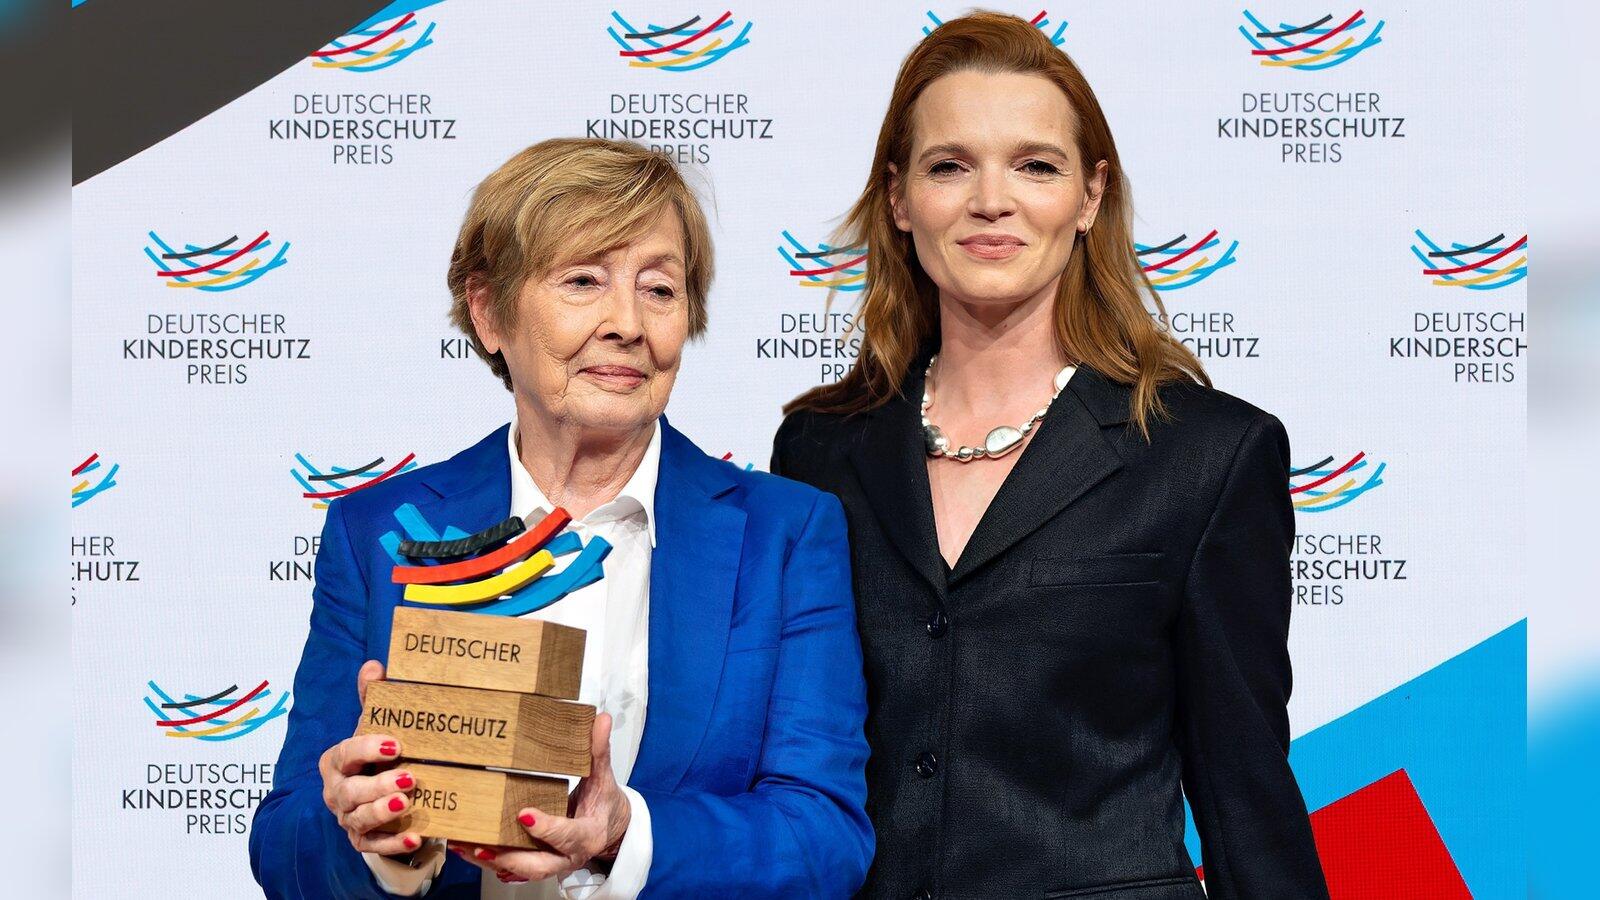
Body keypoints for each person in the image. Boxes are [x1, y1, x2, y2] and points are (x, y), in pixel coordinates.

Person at [771, 13, 1329, 900]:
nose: (992, 200)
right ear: (900, 199)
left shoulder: (1206, 455)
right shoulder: (818, 450)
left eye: (1035, 165)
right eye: (950, 166)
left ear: (1090, 197)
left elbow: (1243, 789)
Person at [251, 138, 873, 899]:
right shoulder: (377, 532)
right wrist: (382, 845)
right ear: (489, 312)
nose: (627, 323)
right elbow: (284, 847)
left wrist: (625, 837)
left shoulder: (786, 534)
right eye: (583, 281)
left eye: (660, 289)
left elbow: (824, 838)